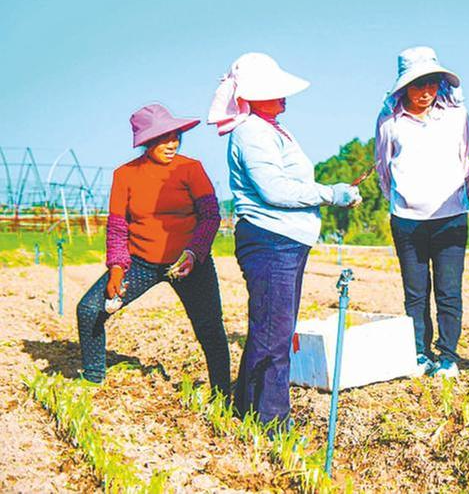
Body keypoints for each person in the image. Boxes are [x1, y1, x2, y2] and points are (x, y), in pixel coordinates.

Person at [208, 52, 361, 431]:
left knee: (271, 329)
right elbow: (274, 189)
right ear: (252, 96)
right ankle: (272, 423)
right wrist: (330, 194)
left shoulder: (270, 128)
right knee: (275, 335)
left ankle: (246, 407)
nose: (283, 97)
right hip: (270, 240)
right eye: (273, 92)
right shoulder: (252, 132)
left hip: (285, 241)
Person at [76, 104, 230, 395]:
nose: (172, 143)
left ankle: (222, 395)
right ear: (146, 141)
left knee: (210, 328)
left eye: (176, 137)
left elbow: (210, 216)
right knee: (89, 310)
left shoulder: (190, 168)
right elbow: (119, 227)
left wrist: (194, 253)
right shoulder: (125, 175)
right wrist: (117, 269)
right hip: (141, 263)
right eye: (164, 138)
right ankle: (93, 378)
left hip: (188, 263)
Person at [374, 46, 469, 379]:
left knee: (449, 291)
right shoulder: (389, 121)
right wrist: (400, 199)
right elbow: (382, 167)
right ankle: (420, 353)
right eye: (418, 86)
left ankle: (448, 357)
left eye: (432, 84)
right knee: (415, 292)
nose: (426, 92)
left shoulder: (456, 115)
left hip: (450, 217)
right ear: (404, 88)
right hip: (407, 221)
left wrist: (464, 197)